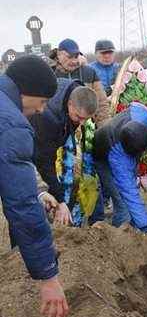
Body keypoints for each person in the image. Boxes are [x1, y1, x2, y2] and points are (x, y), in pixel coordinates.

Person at [0, 55, 69, 317]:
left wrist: (38, 191)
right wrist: (48, 275)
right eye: (41, 102)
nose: (41, 110)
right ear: (26, 92)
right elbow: (21, 206)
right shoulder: (11, 123)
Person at [30, 79, 99, 226]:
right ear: (69, 104)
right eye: (78, 117)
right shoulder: (48, 119)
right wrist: (60, 200)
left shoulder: (77, 91)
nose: (81, 123)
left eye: (85, 119)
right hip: (28, 147)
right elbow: (44, 162)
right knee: (30, 202)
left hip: (47, 146)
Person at [93, 102, 147, 233]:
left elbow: (137, 106)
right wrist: (146, 227)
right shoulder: (118, 156)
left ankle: (133, 232)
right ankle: (117, 240)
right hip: (101, 158)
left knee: (122, 193)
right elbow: (129, 192)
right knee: (123, 205)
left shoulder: (142, 116)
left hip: (109, 137)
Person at [50, 38, 110, 125]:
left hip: (87, 126)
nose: (74, 61)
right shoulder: (51, 74)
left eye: (76, 56)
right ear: (59, 55)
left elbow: (102, 103)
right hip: (60, 128)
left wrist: (104, 127)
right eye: (69, 57)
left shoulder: (89, 72)